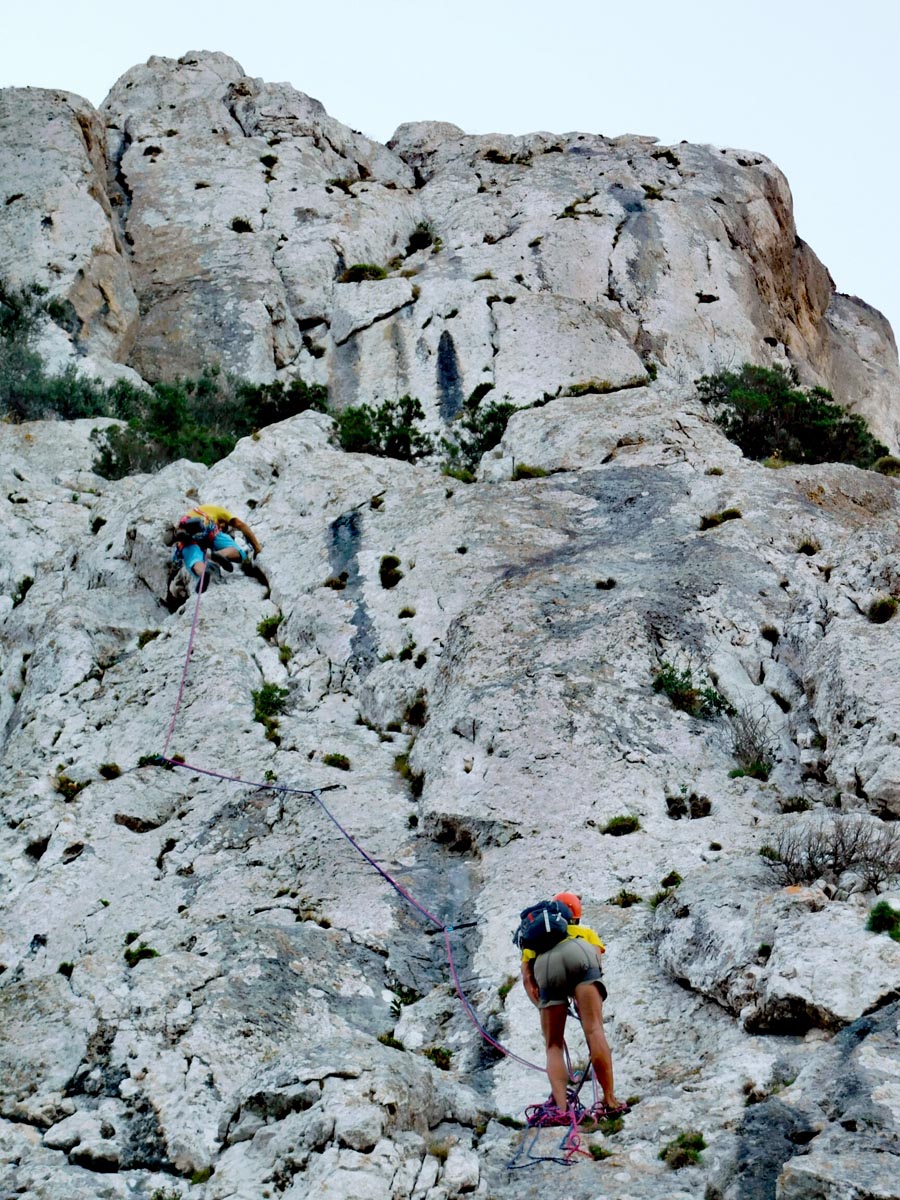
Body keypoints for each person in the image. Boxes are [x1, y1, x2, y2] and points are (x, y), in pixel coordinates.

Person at [520, 890, 628, 1123]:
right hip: (581, 955)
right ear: (574, 917)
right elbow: (596, 963)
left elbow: (528, 980)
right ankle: (609, 1101)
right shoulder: (585, 932)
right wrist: (583, 998)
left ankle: (561, 1110)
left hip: (546, 967)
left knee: (554, 1045)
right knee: (594, 1030)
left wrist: (545, 1005)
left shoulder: (535, 942)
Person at [171, 504, 262, 593]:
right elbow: (240, 524)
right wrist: (257, 548)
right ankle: (220, 554)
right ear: (223, 521)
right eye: (223, 526)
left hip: (189, 531)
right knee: (239, 552)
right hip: (208, 529)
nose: (222, 528)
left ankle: (203, 573)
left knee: (194, 558)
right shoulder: (220, 512)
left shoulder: (194, 513)